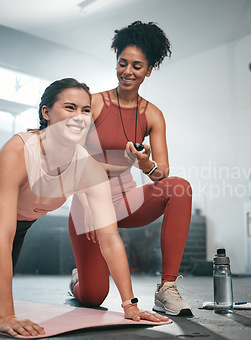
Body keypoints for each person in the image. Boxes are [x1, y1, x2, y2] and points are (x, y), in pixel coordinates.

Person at [0, 78, 169, 338]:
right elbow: (0, 237)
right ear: (46, 112)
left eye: (86, 110)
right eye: (70, 107)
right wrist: (6, 317)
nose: (80, 117)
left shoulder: (89, 168)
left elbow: (110, 239)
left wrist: (130, 305)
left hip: (20, 224)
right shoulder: (19, 150)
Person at [69, 21, 193, 316]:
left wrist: (144, 163)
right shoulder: (95, 103)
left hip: (124, 198)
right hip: (88, 200)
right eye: (122, 63)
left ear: (149, 70)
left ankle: (167, 288)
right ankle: (79, 279)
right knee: (93, 297)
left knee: (179, 188)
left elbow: (161, 172)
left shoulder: (152, 114)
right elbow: (69, 154)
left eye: (137, 66)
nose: (127, 71)